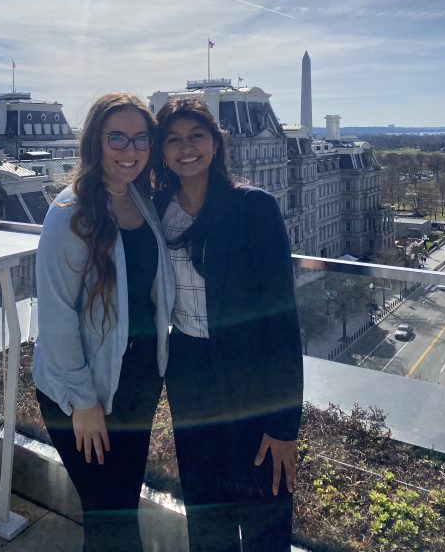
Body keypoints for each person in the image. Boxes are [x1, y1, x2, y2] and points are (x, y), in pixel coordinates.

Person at [153, 97, 304, 552]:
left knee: (264, 509)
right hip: (189, 371)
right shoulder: (156, 208)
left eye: (196, 137)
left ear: (216, 145)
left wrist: (284, 426)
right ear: (162, 150)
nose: (186, 149)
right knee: (204, 507)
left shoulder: (253, 207)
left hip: (251, 376)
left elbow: (281, 318)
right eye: (174, 139)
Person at [32, 93, 175, 552]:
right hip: (84, 389)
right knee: (108, 514)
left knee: (120, 505)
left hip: (136, 381)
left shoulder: (141, 198)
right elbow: (55, 315)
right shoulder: (70, 211)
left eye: (141, 138)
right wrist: (82, 401)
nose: (130, 150)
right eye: (117, 137)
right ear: (96, 140)